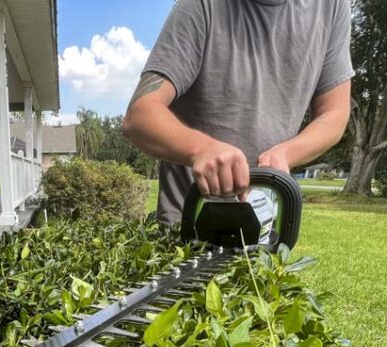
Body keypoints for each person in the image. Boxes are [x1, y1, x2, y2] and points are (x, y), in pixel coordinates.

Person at [123, 0, 353, 224]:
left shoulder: (332, 6)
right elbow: (140, 115)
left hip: (262, 220)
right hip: (188, 225)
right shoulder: (199, 5)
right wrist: (202, 149)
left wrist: (286, 154)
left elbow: (334, 113)